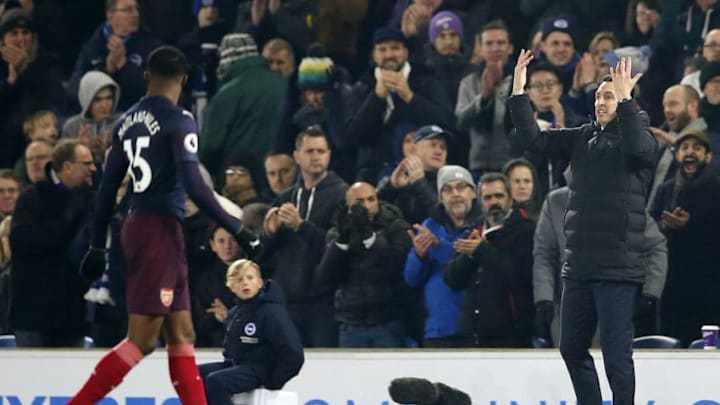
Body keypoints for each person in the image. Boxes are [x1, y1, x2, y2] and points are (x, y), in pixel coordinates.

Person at [67, 46, 261, 405]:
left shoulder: (127, 121)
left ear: (146, 78)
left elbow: (108, 186)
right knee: (141, 340)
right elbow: (195, 186)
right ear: (184, 80)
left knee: (182, 334)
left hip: (142, 226)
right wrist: (238, 229)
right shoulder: (180, 120)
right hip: (159, 231)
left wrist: (97, 243)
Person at [508, 51, 657, 404]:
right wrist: (518, 92)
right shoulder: (582, 137)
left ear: (624, 99)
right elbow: (534, 140)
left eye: (608, 96)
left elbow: (636, 148)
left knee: (617, 357)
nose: (601, 102)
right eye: (598, 97)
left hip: (618, 269)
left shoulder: (640, 138)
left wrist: (625, 102)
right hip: (578, 268)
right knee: (571, 349)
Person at [9, 140, 96, 347]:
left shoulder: (89, 198)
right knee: (30, 379)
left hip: (72, 314)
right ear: (68, 167)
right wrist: (69, 217)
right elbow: (22, 242)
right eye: (87, 163)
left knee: (72, 379)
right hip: (34, 315)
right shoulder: (32, 198)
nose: (93, 169)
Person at [444, 172, 535, 348]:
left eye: (499, 196)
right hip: (473, 332)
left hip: (512, 334)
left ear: (510, 198)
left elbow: (522, 275)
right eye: (487, 197)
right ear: (480, 202)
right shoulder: (473, 230)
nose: (494, 202)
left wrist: (482, 250)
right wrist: (469, 256)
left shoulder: (527, 230)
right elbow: (452, 279)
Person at [317, 182, 412, 348]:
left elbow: (394, 266)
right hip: (350, 323)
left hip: (388, 322)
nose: (367, 206)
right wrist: (342, 241)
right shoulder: (336, 233)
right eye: (360, 202)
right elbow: (326, 276)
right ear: (348, 206)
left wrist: (370, 237)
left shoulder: (396, 228)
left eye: (371, 199)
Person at [199, 259, 304, 405]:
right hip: (238, 365)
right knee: (195, 374)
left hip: (261, 368)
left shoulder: (271, 312)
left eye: (250, 277)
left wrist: (274, 382)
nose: (245, 283)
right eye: (239, 279)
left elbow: (294, 353)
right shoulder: (235, 313)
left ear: (260, 282)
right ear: (231, 286)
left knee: (216, 382)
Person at [650, 130, 720, 346]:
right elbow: (649, 231)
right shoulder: (666, 190)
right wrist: (667, 226)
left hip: (711, 286)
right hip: (673, 285)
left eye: (697, 148)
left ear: (708, 156)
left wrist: (692, 226)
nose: (690, 152)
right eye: (685, 148)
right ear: (677, 155)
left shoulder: (717, 189)